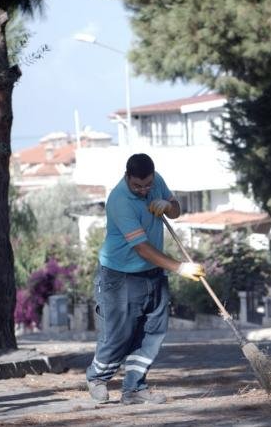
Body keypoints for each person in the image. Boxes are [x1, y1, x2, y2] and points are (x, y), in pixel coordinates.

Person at [85, 153, 205, 405]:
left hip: (152, 273)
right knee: (120, 334)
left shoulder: (155, 181)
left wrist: (168, 205)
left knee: (152, 331)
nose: (143, 190)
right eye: (137, 186)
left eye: (147, 185)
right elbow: (142, 248)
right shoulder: (119, 200)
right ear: (127, 176)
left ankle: (134, 388)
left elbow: (176, 211)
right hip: (120, 275)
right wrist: (180, 267)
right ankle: (97, 377)